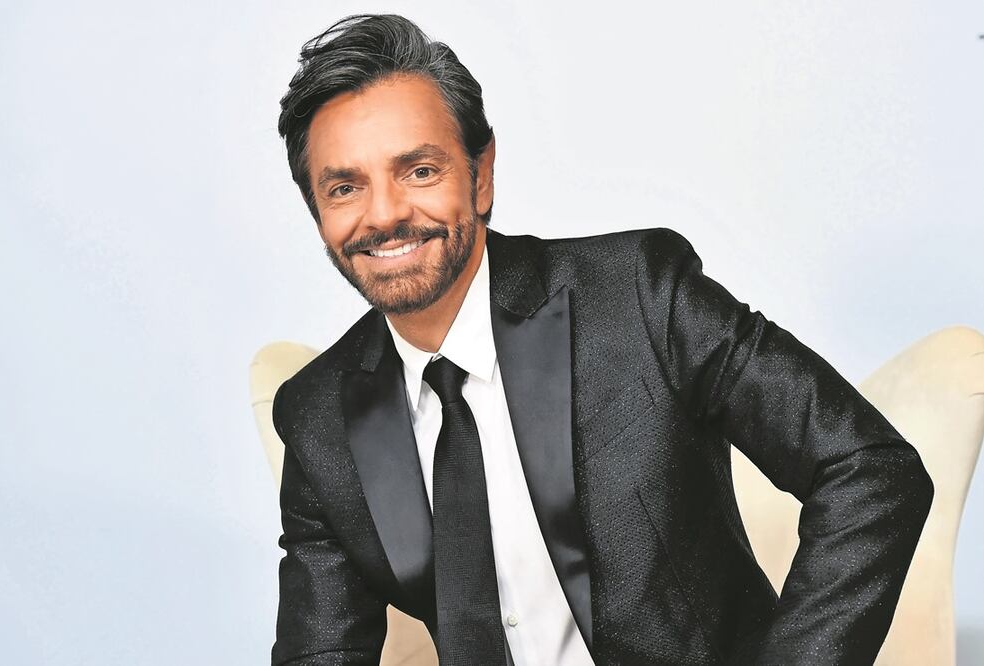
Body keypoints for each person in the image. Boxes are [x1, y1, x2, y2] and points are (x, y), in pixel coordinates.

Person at [269, 13, 933, 665]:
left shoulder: (639, 296)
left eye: (418, 170)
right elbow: (320, 650)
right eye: (344, 187)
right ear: (316, 211)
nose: (383, 214)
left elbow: (869, 470)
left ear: (480, 175)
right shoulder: (319, 416)